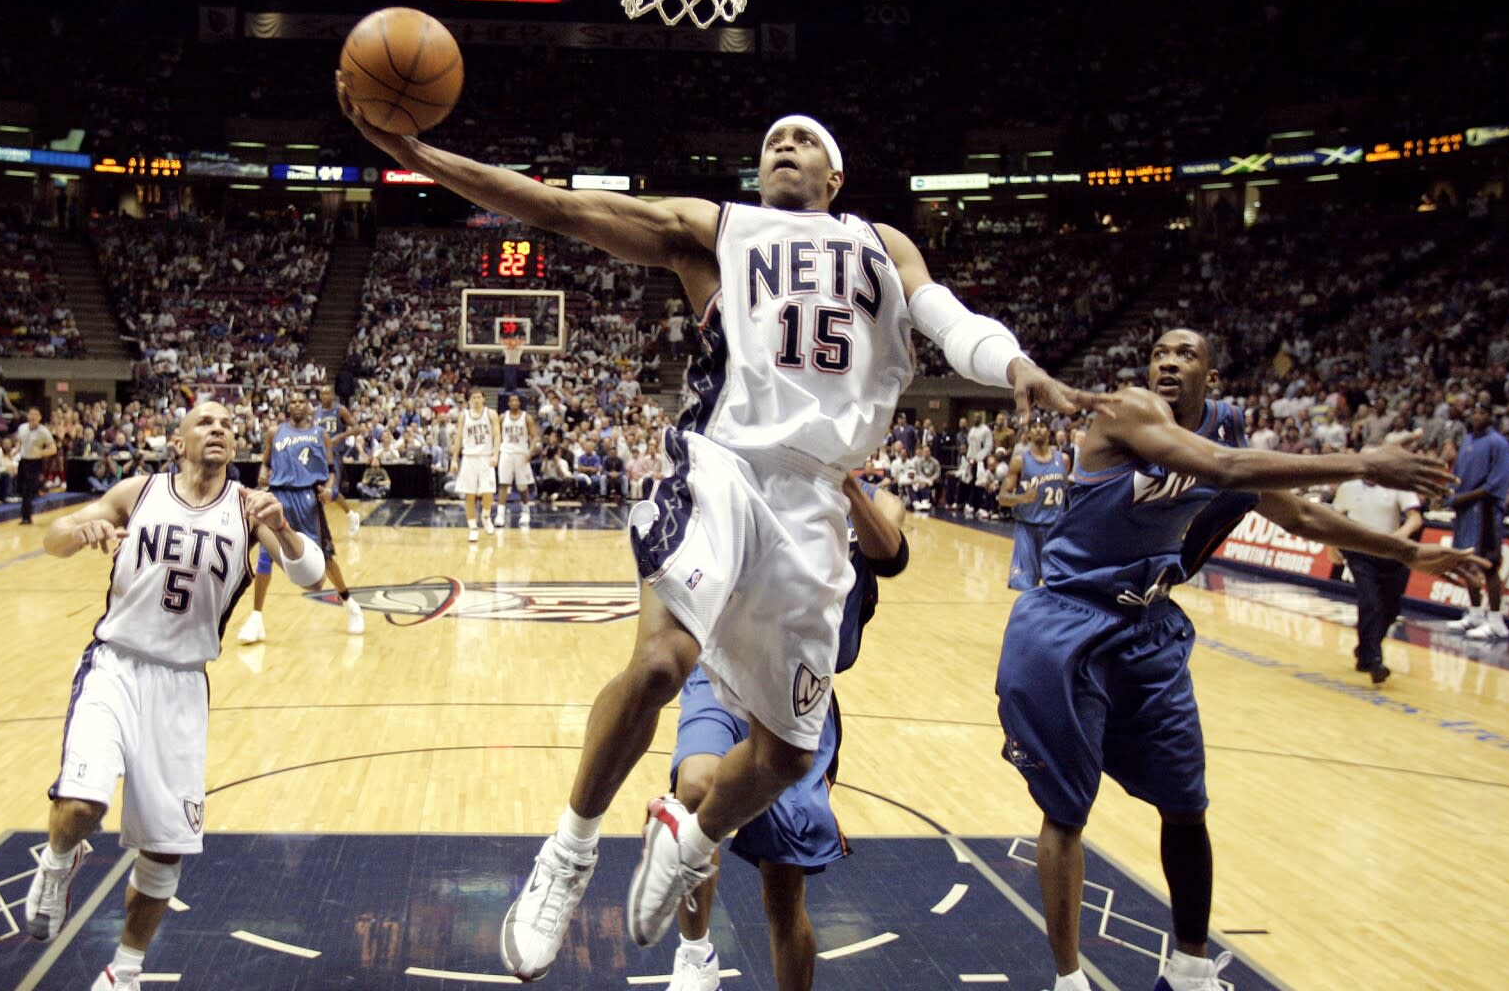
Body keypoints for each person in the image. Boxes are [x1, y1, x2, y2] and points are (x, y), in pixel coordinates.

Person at [339, 78, 1088, 980]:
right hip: (723, 462)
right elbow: (559, 207)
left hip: (817, 499)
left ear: (836, 175)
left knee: (785, 754)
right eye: (773, 137)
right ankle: (568, 855)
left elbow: (946, 318)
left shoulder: (881, 246)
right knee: (661, 664)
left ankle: (690, 837)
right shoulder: (720, 227)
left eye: (805, 138)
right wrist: (420, 157)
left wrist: (1014, 364)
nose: (785, 145)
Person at [993, 329, 1487, 991]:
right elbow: (1225, 471)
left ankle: (1193, 969)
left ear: (1213, 378)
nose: (1167, 362)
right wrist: (1363, 462)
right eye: (1160, 352)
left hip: (1146, 624)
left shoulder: (1226, 428)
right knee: (1066, 810)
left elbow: (1300, 518)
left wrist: (1406, 553)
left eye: (1185, 354)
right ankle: (1070, 980)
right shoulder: (1130, 410)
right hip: (1070, 622)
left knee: (1186, 800)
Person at [22, 402, 326, 991]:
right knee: (82, 806)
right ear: (178, 442)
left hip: (183, 685)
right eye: (205, 423)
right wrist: (79, 532)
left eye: (227, 426)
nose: (218, 430)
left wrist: (284, 525)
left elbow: (311, 577)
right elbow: (53, 538)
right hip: (115, 665)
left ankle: (124, 972)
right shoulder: (139, 491)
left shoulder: (249, 507)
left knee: (164, 851)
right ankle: (59, 862)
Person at [664, 474, 909, 991]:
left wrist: (846, 488)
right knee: (693, 787)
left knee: (783, 892)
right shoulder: (756, 473)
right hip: (722, 671)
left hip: (802, 694)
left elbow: (891, 554)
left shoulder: (875, 499)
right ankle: (695, 954)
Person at [237, 392, 365, 643]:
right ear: (287, 407)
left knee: (325, 558)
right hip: (279, 498)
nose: (297, 404)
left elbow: (330, 471)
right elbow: (265, 464)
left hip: (308, 500)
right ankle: (256, 618)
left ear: (308, 406)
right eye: (292, 401)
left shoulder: (321, 435)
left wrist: (329, 489)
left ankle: (349, 603)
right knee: (265, 558)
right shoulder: (275, 433)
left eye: (301, 401)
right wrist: (263, 475)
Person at [1331, 449, 1424, 683]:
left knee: (1391, 609)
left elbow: (1415, 518)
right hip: (1360, 552)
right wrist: (1331, 546)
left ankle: (1365, 649)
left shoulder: (1397, 484)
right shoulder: (1348, 486)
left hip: (1392, 552)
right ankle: (1374, 660)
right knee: (1370, 602)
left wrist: (1399, 535)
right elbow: (1335, 517)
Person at [1444, 405, 1509, 640]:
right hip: (1464, 509)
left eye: (1483, 411)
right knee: (1466, 561)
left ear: (1490, 416)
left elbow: (1497, 483)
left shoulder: (1499, 444)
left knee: (1488, 564)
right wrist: (1450, 493)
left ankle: (1496, 621)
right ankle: (1475, 614)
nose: (1477, 415)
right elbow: (1459, 475)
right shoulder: (1467, 440)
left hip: (1485, 509)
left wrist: (1463, 497)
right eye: (1475, 411)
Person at [998, 421, 1068, 589]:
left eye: (1041, 427)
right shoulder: (1020, 461)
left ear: (1049, 431)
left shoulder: (1063, 459)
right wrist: (1022, 498)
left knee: (1056, 585)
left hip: (1054, 529)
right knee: (1024, 586)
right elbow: (1002, 497)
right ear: (1028, 434)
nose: (1038, 430)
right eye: (1034, 428)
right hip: (1027, 529)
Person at [314, 386, 365, 537]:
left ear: (333, 395)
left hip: (334, 454)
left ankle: (351, 515)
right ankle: (318, 527)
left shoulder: (340, 409)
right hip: (317, 455)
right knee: (316, 489)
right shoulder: (316, 411)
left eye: (328, 393)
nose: (325, 396)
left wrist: (340, 436)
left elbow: (357, 428)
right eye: (322, 393)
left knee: (331, 491)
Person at [453, 389, 499, 542]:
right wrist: (454, 459)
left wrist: (496, 454)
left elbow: (497, 435)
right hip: (469, 457)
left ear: (483, 399)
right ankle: (473, 528)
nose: (477, 400)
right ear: (470, 400)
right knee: (469, 494)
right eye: (474, 397)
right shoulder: (463, 416)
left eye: (479, 397)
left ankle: (486, 516)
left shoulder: (491, 414)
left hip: (486, 457)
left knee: (488, 491)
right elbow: (458, 437)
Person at [494, 393, 538, 528]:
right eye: (511, 400)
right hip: (506, 453)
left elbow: (534, 437)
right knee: (503, 484)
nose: (513, 402)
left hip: (521, 453)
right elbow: (495, 435)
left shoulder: (527, 418)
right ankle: (500, 514)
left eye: (516, 400)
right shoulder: (502, 417)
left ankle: (525, 512)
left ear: (520, 403)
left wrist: (530, 452)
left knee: (522, 486)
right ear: (508, 403)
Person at [17, 406, 57, 525]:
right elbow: (20, 442)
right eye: (31, 414)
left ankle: (26, 517)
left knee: (27, 490)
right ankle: (38, 490)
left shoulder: (44, 431)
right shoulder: (22, 428)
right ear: (28, 416)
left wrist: (42, 452)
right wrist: (17, 449)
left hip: (35, 462)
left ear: (39, 417)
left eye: (36, 414)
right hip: (23, 460)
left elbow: (53, 449)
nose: (33, 417)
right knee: (20, 488)